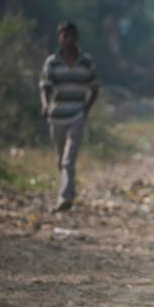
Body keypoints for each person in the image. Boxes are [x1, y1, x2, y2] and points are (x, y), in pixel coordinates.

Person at [39, 22, 100, 212]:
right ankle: (69, 191)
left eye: (72, 36)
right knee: (60, 159)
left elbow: (95, 87)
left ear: (77, 38)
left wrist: (86, 110)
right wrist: (45, 105)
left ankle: (64, 197)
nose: (69, 40)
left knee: (68, 159)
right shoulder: (52, 62)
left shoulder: (86, 61)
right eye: (65, 36)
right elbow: (45, 87)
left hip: (77, 115)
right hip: (57, 115)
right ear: (59, 38)